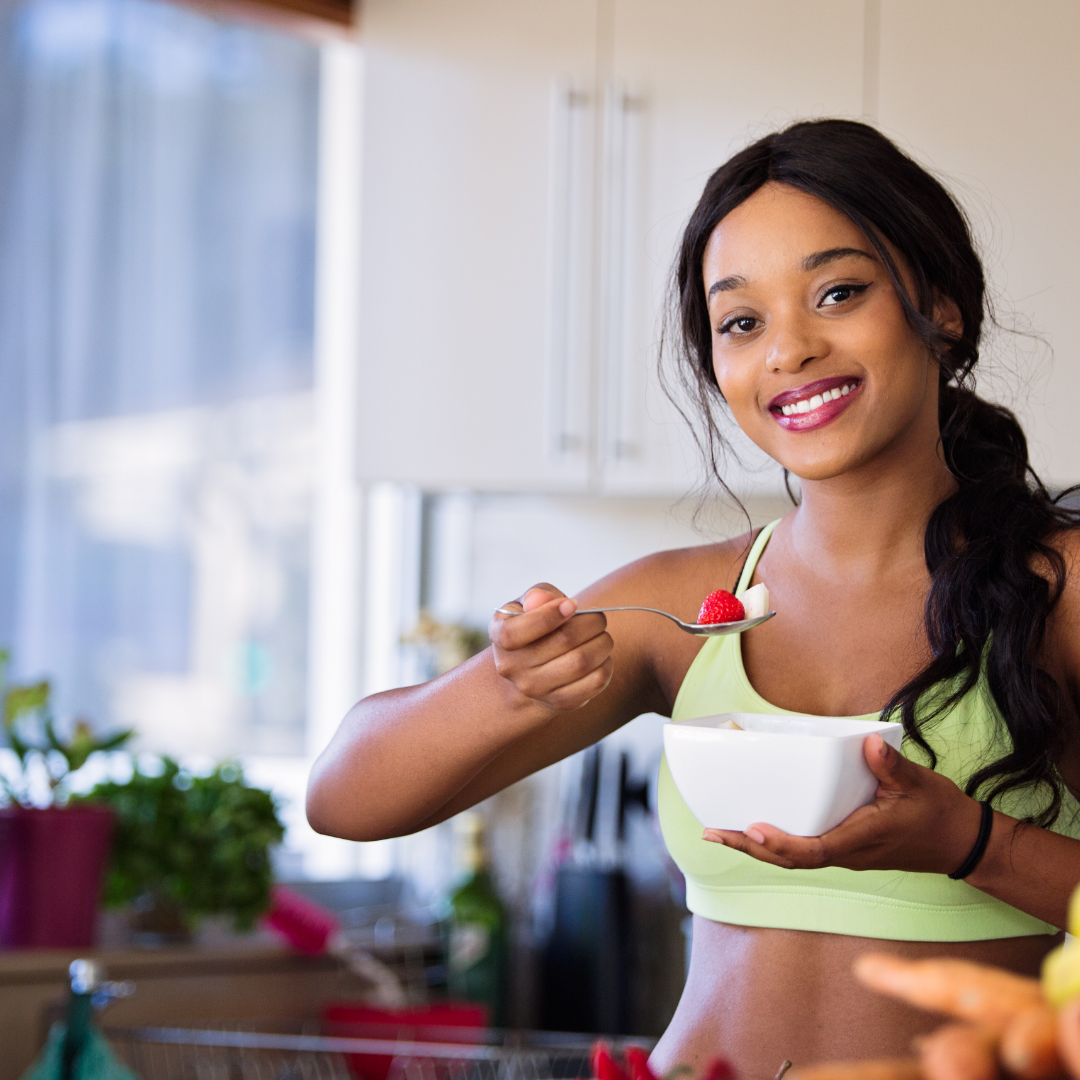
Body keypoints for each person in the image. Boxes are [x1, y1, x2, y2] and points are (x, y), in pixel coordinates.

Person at [306, 120, 1080, 1073]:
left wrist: (968, 842)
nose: (788, 350)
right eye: (741, 322)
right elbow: (344, 797)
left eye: (838, 292)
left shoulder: (1060, 591)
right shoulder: (687, 604)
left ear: (942, 306)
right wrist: (506, 688)